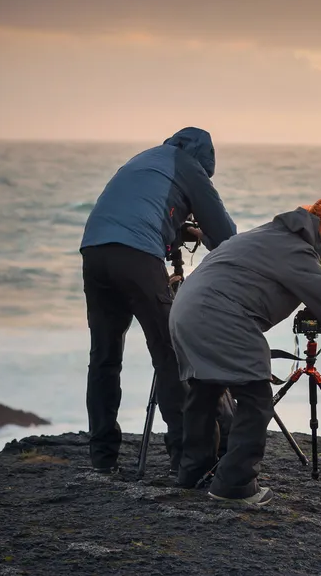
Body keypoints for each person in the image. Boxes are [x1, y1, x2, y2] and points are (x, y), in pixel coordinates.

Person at [170, 198, 321, 508]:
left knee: (204, 391)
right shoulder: (296, 250)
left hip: (184, 313)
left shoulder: (261, 236)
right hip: (221, 316)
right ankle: (234, 485)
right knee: (256, 399)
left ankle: (192, 473)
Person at [80, 126, 237, 475]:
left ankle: (102, 457)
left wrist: (180, 229)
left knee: (104, 357)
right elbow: (227, 236)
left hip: (94, 251)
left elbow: (139, 211)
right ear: (204, 160)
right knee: (170, 354)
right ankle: (186, 460)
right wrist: (206, 234)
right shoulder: (190, 167)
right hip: (136, 255)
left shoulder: (144, 159)